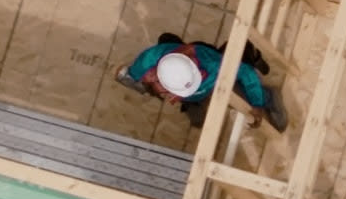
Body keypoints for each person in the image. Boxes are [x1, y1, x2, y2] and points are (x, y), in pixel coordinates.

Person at [116, 34, 286, 129]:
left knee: (241, 91)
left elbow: (246, 73)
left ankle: (268, 93)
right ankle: (194, 100)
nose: (167, 96)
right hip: (193, 91)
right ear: (155, 75)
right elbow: (126, 75)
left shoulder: (213, 65)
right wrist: (134, 79)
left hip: (212, 79)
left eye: (168, 92)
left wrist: (257, 103)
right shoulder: (146, 64)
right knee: (198, 122)